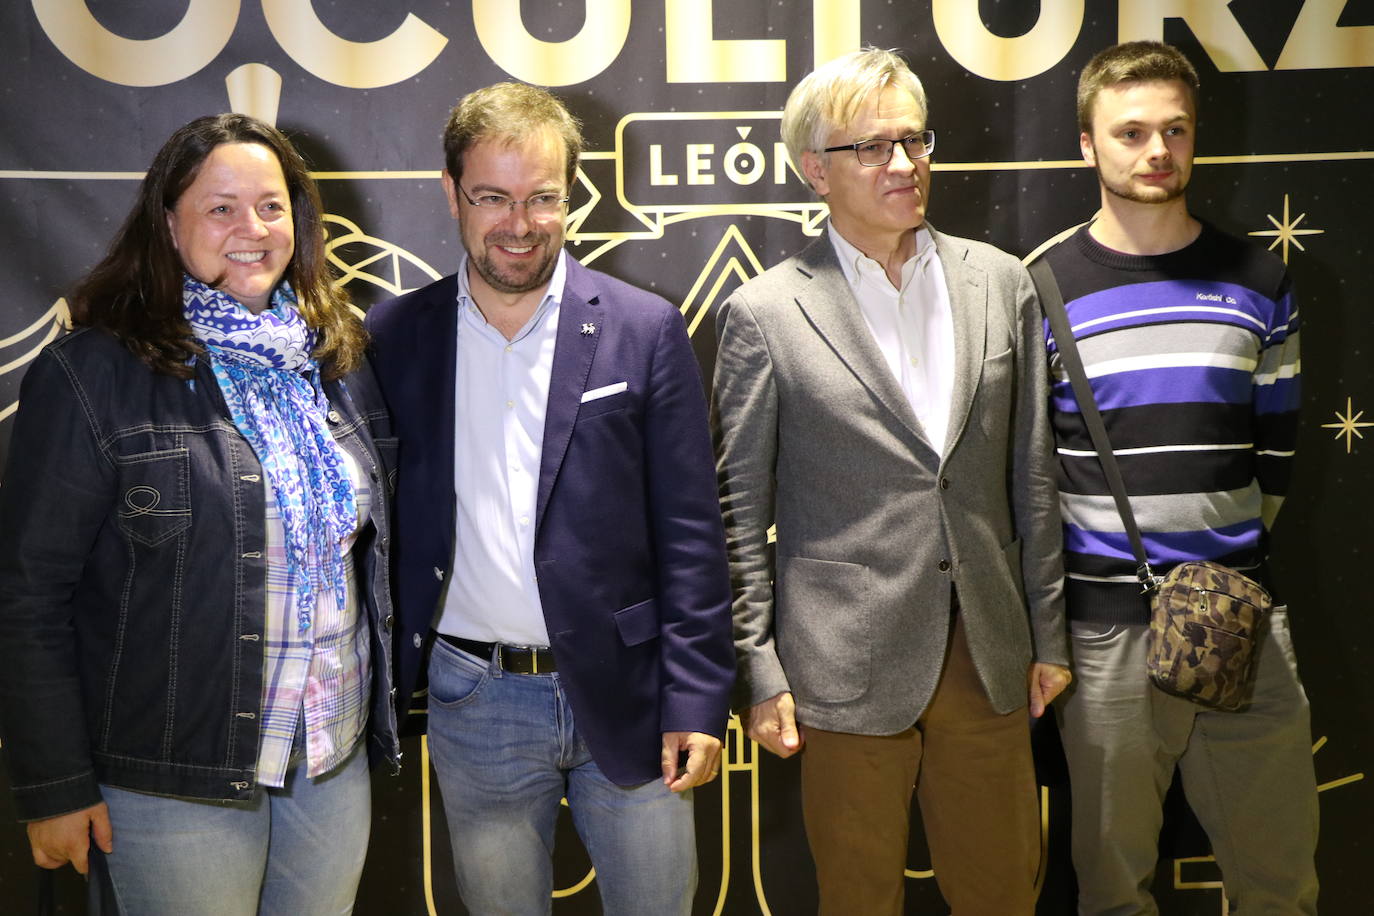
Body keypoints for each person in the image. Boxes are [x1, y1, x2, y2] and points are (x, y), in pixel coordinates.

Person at [0, 114, 400, 914]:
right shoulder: (94, 373)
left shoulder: (335, 358)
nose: (251, 229)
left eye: (272, 206)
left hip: (327, 755)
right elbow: (27, 596)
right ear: (168, 222)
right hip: (173, 776)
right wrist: (53, 785)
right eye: (221, 208)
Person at [712, 48, 1071, 915]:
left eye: (914, 141)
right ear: (815, 172)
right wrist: (759, 670)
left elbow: (1032, 472)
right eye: (872, 148)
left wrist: (1048, 635)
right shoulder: (767, 314)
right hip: (842, 664)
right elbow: (738, 511)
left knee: (1001, 893)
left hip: (987, 653)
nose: (904, 165)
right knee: (859, 898)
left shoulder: (1000, 282)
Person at [364, 81, 734, 915]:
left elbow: (690, 535)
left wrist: (697, 698)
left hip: (631, 695)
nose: (520, 224)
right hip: (474, 700)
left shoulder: (645, 329)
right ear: (451, 192)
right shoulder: (393, 337)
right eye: (493, 197)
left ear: (572, 194)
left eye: (543, 198)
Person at [1033, 41, 1318, 914]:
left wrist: (1219, 568)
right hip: (1104, 637)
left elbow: (1276, 455)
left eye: (1174, 130)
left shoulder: (1261, 281)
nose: (1156, 150)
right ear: (1088, 145)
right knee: (1112, 889)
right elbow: (1031, 476)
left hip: (1240, 621)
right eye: (1130, 132)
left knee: (1279, 884)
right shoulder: (1039, 287)